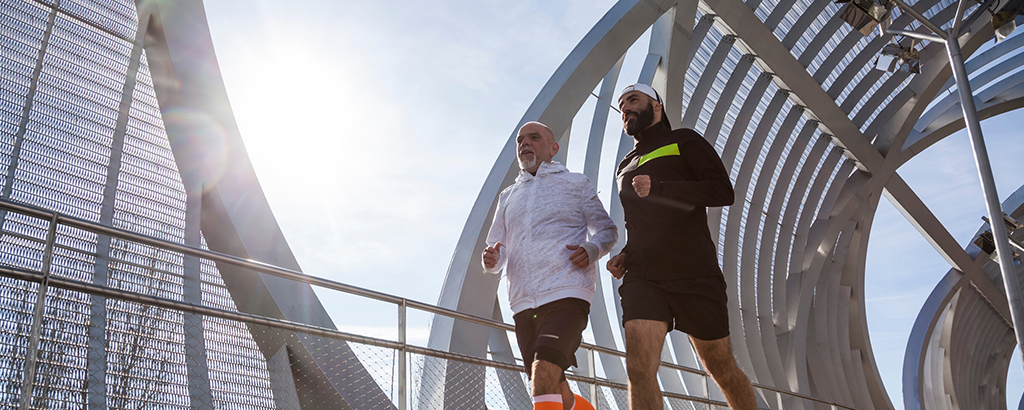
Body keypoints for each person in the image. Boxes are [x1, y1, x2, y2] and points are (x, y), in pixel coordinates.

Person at [606, 83, 757, 410]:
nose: (626, 109)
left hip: (694, 271)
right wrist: (626, 254)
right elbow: (642, 222)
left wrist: (660, 188)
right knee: (639, 368)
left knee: (721, 368)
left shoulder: (683, 140)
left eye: (633, 100)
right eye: (621, 106)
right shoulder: (624, 165)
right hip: (643, 276)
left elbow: (722, 192)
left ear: (656, 107)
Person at [482, 121, 616, 410]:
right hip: (521, 302)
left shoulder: (576, 183)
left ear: (553, 148)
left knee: (543, 373)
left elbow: (606, 230)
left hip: (567, 292)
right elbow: (497, 247)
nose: (525, 144)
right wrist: (492, 259)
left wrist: (592, 249)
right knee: (550, 384)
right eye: (520, 140)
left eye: (534, 137)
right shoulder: (507, 196)